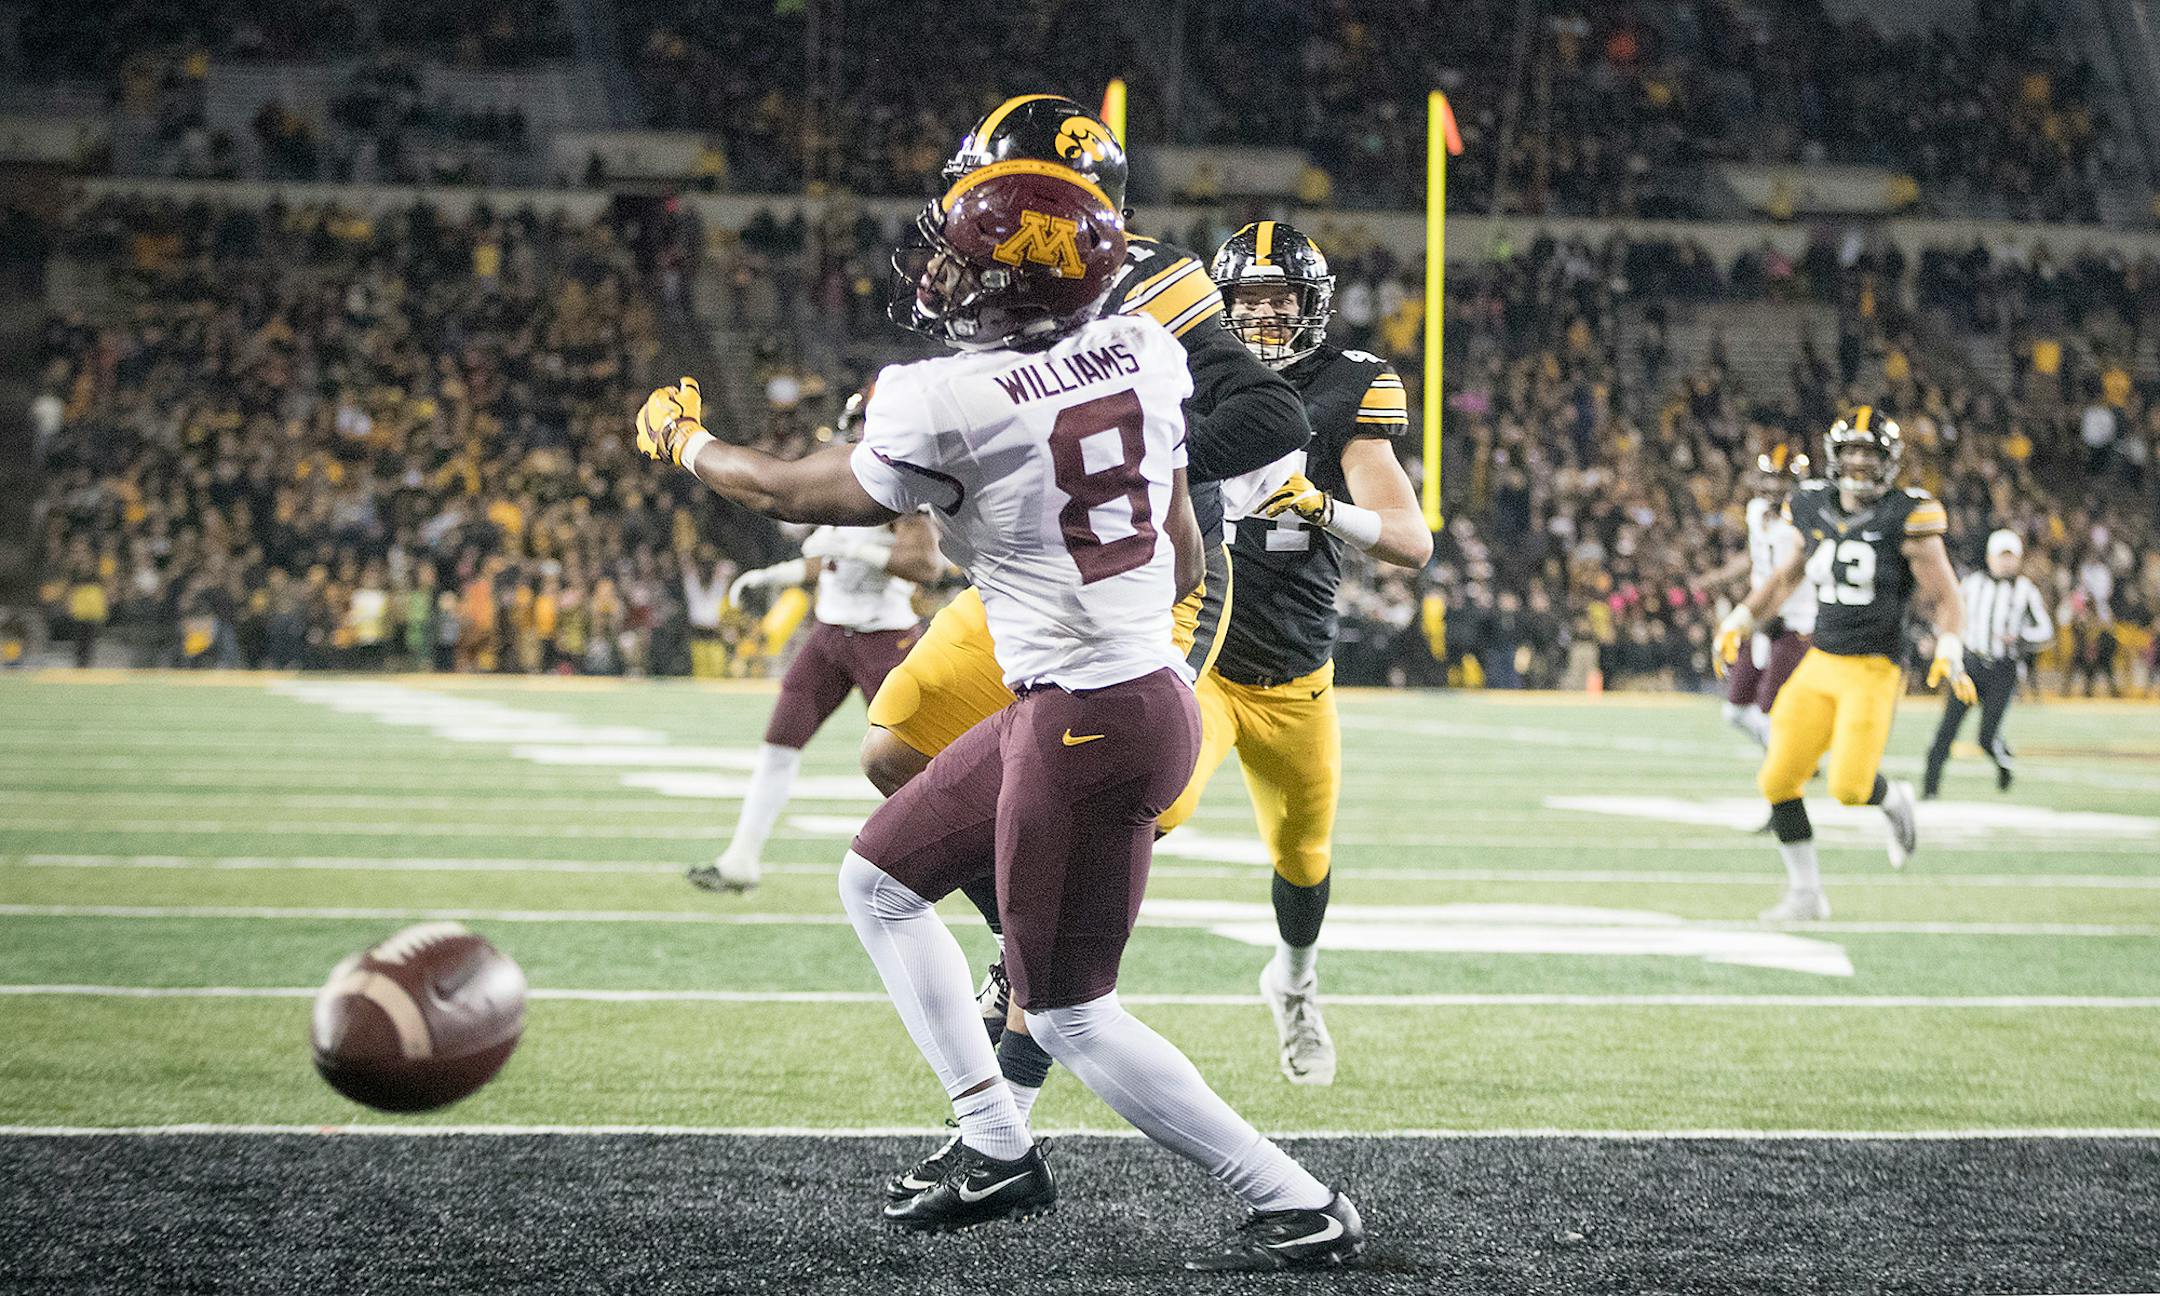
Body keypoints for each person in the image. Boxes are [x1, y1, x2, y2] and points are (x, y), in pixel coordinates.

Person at [628, 161, 1364, 1270]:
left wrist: (686, 443)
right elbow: (1182, 558)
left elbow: (785, 491)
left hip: (1089, 719)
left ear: (1016, 281)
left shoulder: (941, 396)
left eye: (964, 258)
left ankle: (1296, 1200)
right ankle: (994, 1143)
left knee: (1070, 1016)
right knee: (875, 879)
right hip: (1117, 688)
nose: (940, 274)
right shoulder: (1152, 356)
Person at [852, 95, 1312, 1144]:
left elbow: (1273, 412)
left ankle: (1015, 1070)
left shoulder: (1154, 277)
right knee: (893, 744)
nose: (967, 211)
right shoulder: (988, 283)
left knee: (1109, 807)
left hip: (1153, 576)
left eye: (984, 187)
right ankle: (1018, 951)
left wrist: (1126, 447)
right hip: (1029, 574)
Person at [1150, 221, 1432, 1086]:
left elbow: (1411, 541)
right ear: (1217, 308)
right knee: (1149, 806)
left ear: (1315, 305)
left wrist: (1326, 511)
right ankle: (1028, 965)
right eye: (1249, 300)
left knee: (1303, 858)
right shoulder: (1181, 369)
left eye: (1283, 300)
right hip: (1198, 650)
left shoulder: (1347, 389)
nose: (1267, 316)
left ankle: (1295, 984)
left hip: (1296, 667)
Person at [1716, 408, 1975, 924]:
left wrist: (1949, 650)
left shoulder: (1908, 516)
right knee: (1777, 781)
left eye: (1870, 452)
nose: (1859, 461)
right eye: (1851, 451)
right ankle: (1807, 895)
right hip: (1821, 661)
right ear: (1836, 458)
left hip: (1873, 669)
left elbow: (1947, 597)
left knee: (1850, 788)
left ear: (1889, 461)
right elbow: (1787, 577)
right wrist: (1741, 620)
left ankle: (1894, 799)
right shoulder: (1810, 505)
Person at [689, 438, 940, 891]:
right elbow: (825, 562)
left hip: (885, 637)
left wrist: (856, 551)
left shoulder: (899, 483)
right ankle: (742, 857)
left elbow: (925, 564)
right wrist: (777, 575)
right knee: (779, 741)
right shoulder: (839, 482)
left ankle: (967, 857)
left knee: (911, 757)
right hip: (829, 635)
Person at [1923, 529, 2053, 797]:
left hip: (2003, 670)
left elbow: (2045, 630)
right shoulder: (1972, 584)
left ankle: (2003, 765)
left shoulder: (2025, 590)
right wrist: (1939, 640)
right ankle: (1930, 790)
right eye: (2001, 556)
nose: (2006, 562)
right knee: (1946, 730)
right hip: (1969, 666)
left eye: (2011, 557)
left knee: (1987, 736)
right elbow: (1950, 613)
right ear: (1990, 557)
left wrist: (2020, 638)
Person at [1702, 447, 1814, 750]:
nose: (1774, 487)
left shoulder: (1804, 523)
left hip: (1795, 622)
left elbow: (1783, 580)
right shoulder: (1755, 511)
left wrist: (1746, 617)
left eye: (1782, 481)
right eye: (1770, 479)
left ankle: (1791, 765)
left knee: (1771, 710)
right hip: (1760, 618)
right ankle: (1789, 757)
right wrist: (1720, 577)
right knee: (1735, 711)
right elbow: (1756, 558)